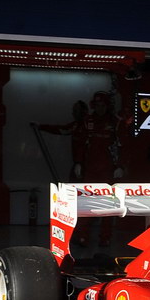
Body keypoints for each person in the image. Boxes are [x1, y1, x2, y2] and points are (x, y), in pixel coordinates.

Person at [74, 91, 121, 247]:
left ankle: (105, 237)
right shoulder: (88, 121)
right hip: (90, 170)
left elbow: (123, 146)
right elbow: (80, 143)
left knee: (108, 205)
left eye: (103, 105)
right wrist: (78, 163)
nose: (100, 108)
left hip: (108, 170)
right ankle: (82, 236)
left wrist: (120, 166)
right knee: (85, 203)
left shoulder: (115, 122)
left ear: (108, 105)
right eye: (97, 105)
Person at [37, 99, 88, 179]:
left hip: (89, 164)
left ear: (83, 112)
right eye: (73, 111)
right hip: (78, 163)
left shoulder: (90, 126)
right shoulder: (75, 126)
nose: (73, 113)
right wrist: (41, 127)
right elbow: (61, 129)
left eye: (76, 111)